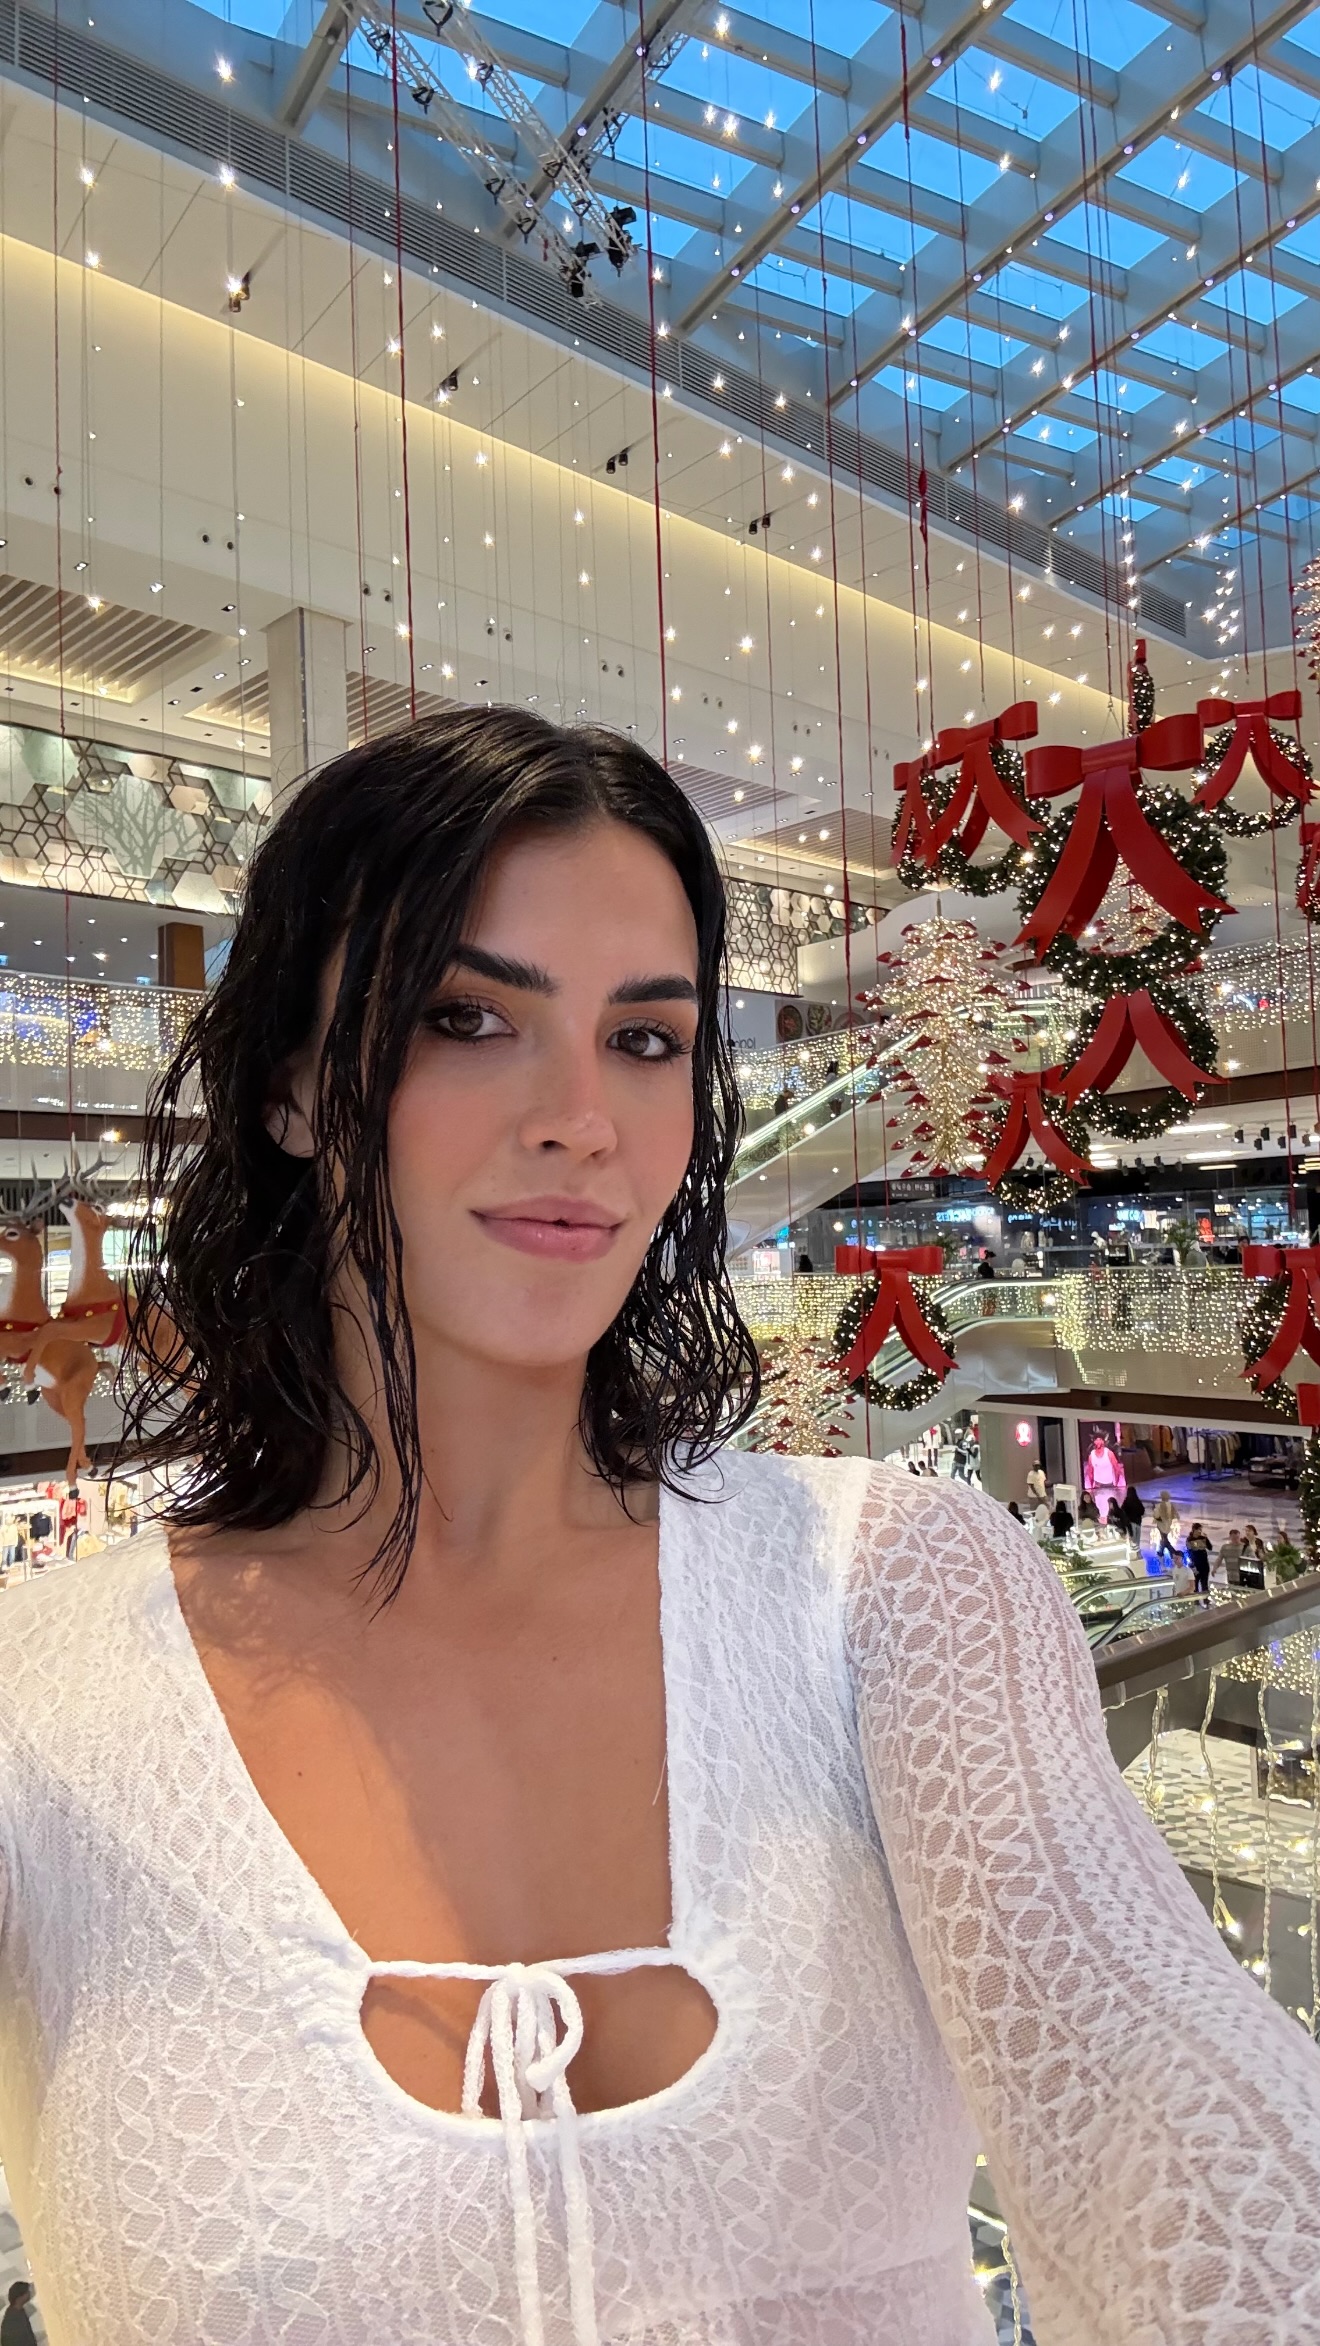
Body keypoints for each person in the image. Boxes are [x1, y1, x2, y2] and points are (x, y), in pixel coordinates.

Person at [0, 707, 1315, 2345]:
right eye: (468, 1017)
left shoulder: (892, 1593)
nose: (584, 1117)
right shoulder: (40, 1699)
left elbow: (1161, 2086)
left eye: (644, 1038)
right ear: (291, 1086)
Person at [1186, 1523, 1212, 1597]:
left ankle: (1206, 1599)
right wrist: (1193, 1566)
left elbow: (1210, 1547)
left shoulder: (1203, 1538)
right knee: (1195, 1584)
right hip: (1196, 1565)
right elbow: (1190, 1553)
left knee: (1205, 1584)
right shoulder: (1189, 1539)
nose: (1200, 1531)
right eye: (1199, 1530)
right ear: (1194, 1530)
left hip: (1204, 1564)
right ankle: (1196, 1600)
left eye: (1201, 1530)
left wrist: (1206, 1539)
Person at [1152, 1490, 1180, 1559]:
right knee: (1164, 1538)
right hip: (1168, 1524)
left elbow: (1156, 1515)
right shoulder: (1170, 1505)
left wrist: (1154, 1509)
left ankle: (1168, 1552)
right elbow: (1175, 1514)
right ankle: (1167, 1552)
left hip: (1161, 1524)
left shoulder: (1159, 1505)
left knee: (1164, 1538)